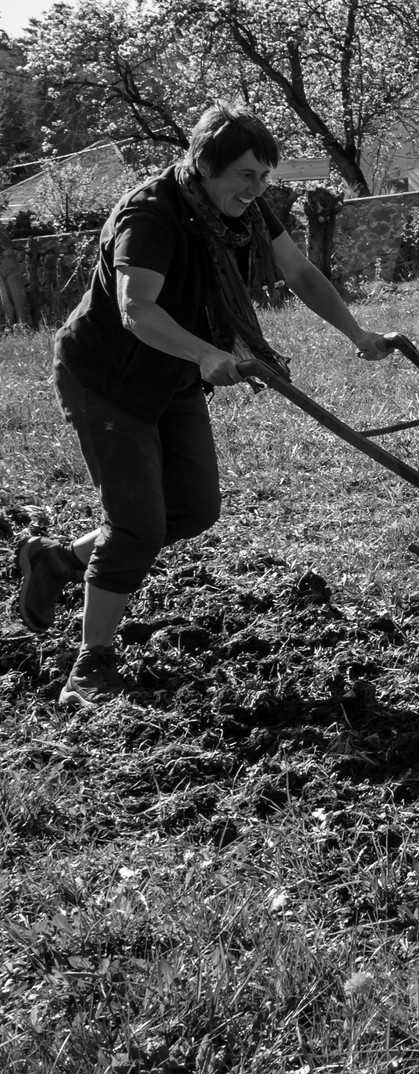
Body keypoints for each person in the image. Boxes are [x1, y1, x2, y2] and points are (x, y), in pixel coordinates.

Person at [14, 104, 392, 708]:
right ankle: (89, 667)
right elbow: (137, 309)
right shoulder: (151, 214)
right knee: (137, 525)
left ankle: (57, 562)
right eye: (245, 175)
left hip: (170, 375)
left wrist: (358, 333)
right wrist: (204, 352)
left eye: (263, 176)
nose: (256, 188)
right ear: (204, 164)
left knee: (192, 508)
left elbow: (298, 270)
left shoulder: (240, 209)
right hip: (106, 378)